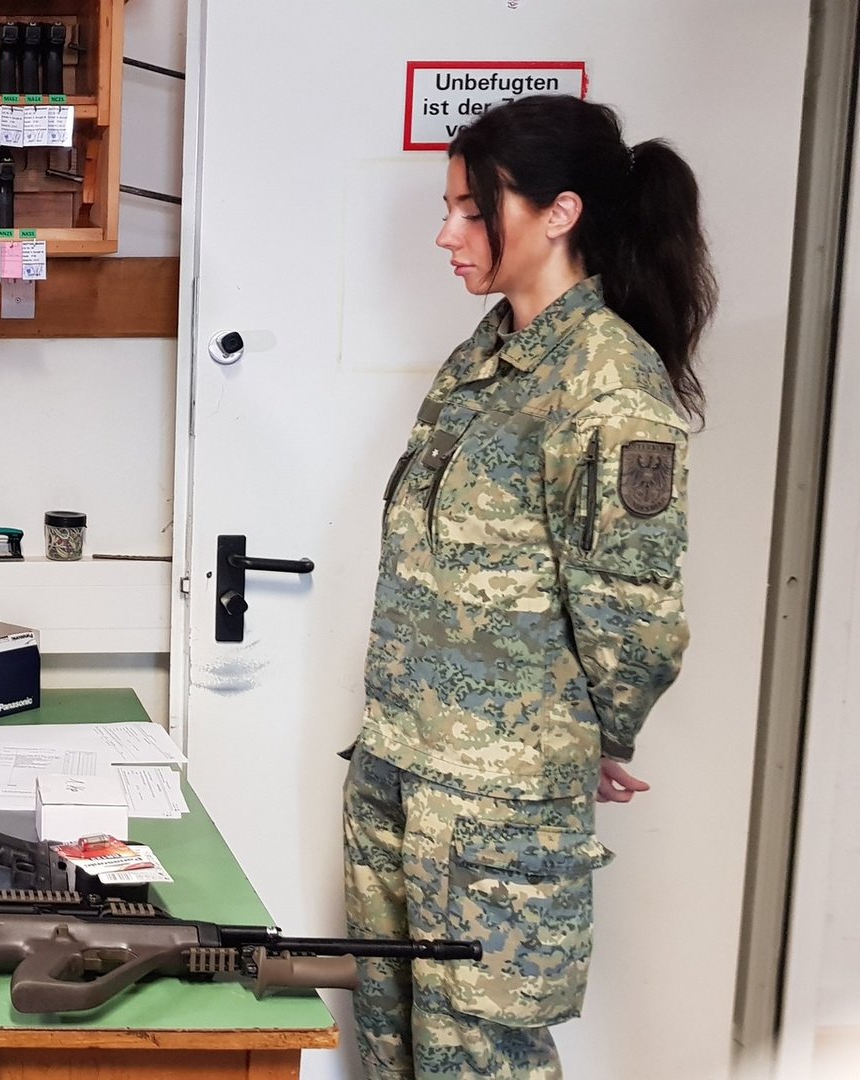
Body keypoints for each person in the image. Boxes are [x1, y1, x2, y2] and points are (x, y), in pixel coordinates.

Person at [343, 94, 716, 1079]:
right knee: (396, 1052)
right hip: (401, 779)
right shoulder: (486, 357)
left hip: (495, 817)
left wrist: (586, 735)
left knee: (484, 1064)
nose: (447, 233)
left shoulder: (606, 381)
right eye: (450, 207)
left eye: (474, 210)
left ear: (559, 214)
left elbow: (636, 615)